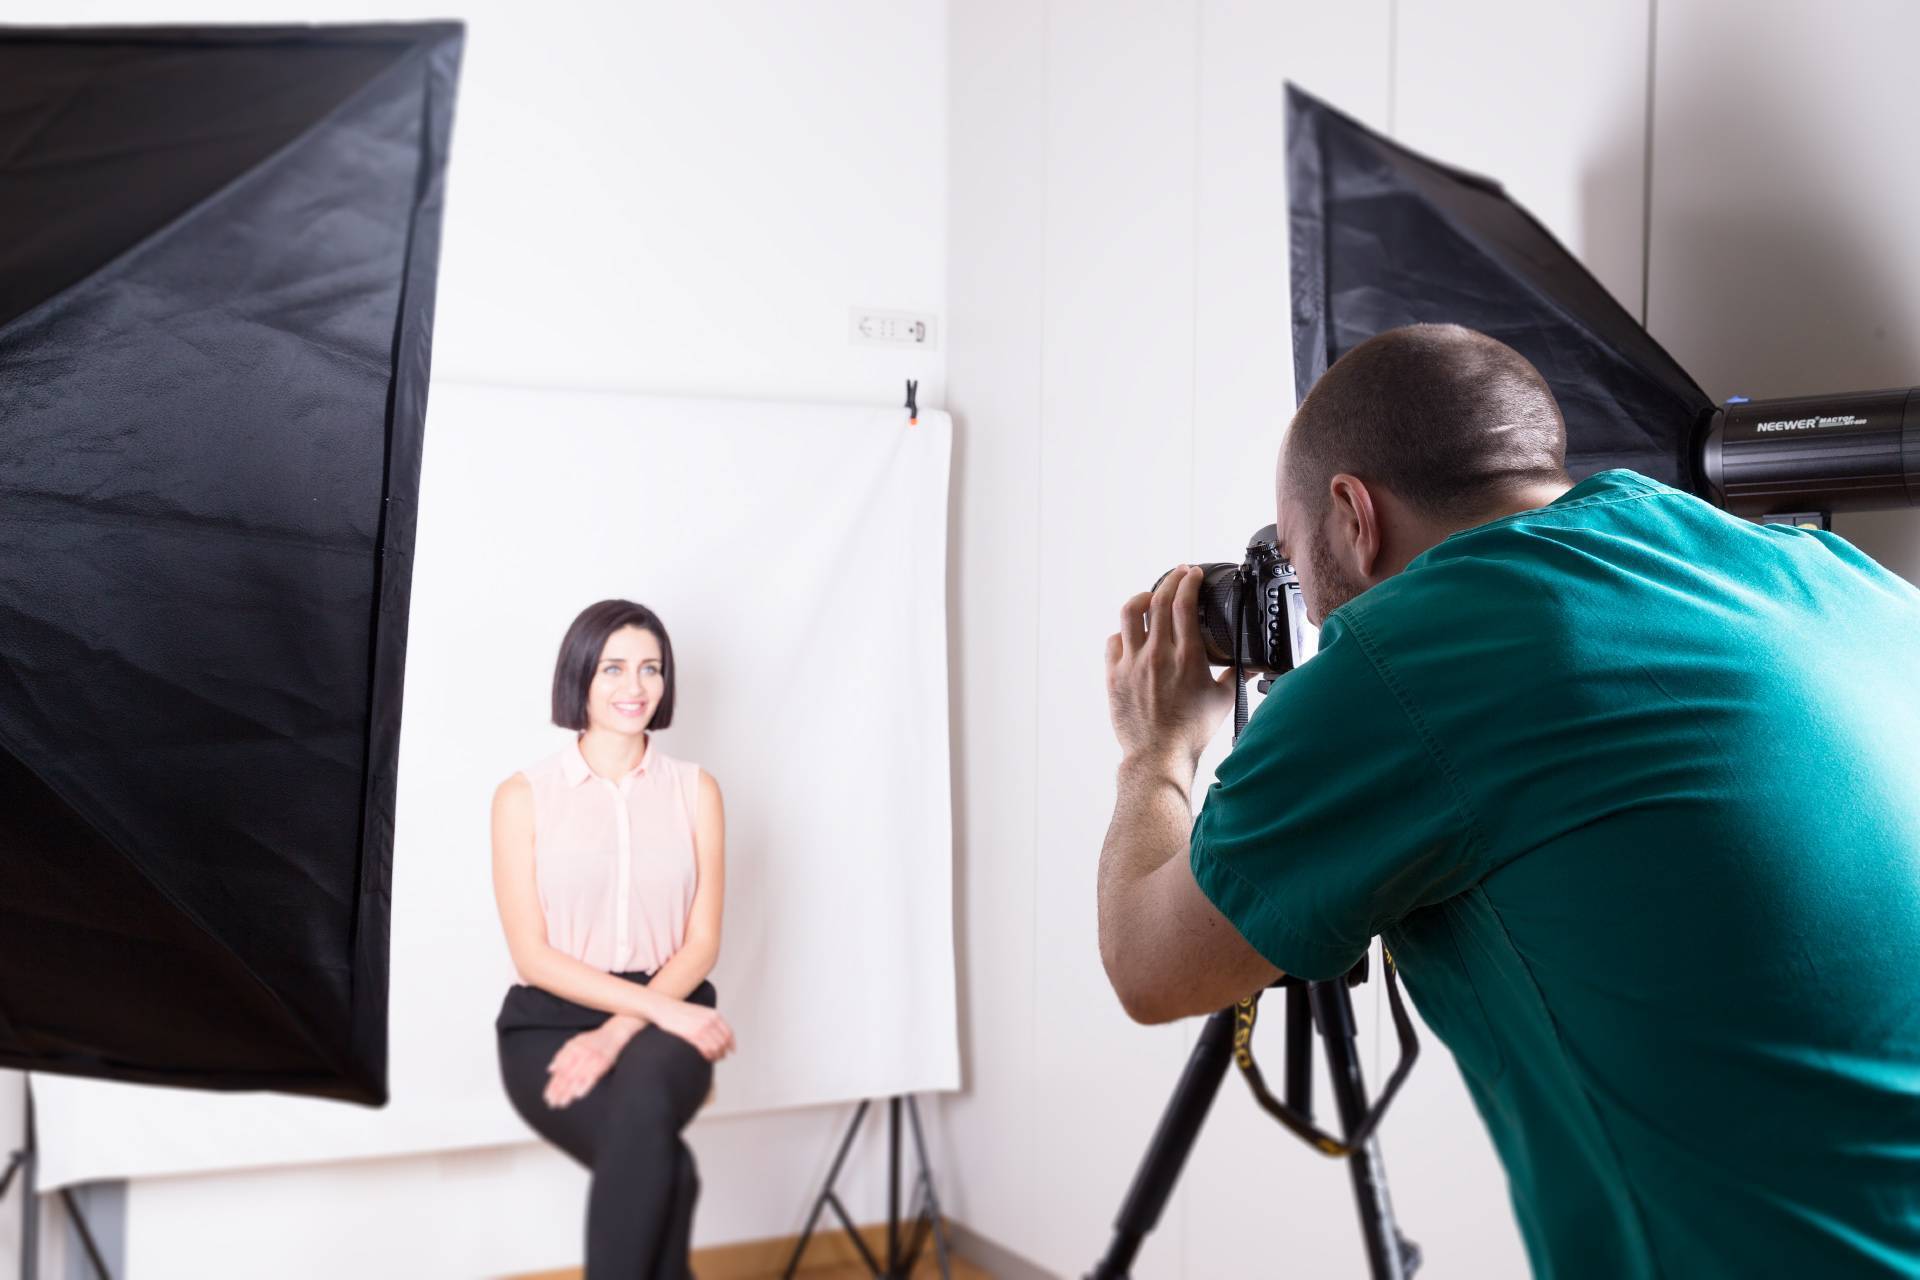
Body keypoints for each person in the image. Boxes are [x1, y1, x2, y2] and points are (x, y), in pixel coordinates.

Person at [1098, 324, 1920, 1277]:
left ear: (1353, 514)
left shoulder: (1412, 657)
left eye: (1293, 554)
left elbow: (1149, 968)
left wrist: (1153, 750)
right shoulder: (1831, 575)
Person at [493, 599, 735, 1280]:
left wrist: (620, 1028)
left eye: (651, 669)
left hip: (670, 1007)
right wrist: (632, 1020)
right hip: (548, 1017)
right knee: (666, 1170)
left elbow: (702, 940)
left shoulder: (697, 791)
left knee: (644, 1120)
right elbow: (531, 956)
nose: (635, 688)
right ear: (580, 677)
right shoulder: (523, 796)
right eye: (614, 669)